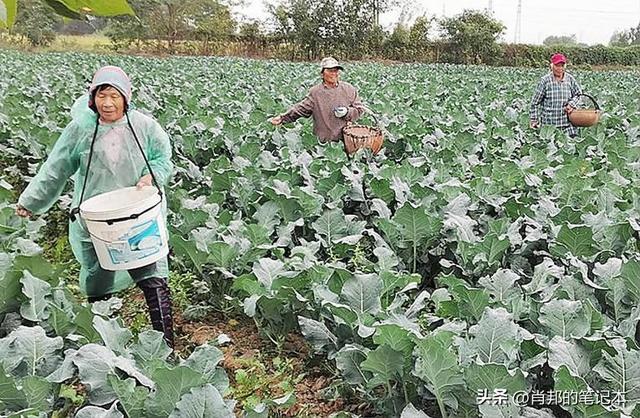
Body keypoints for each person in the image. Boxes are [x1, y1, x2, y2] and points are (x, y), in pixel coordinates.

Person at [15, 66, 175, 348]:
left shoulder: (144, 127)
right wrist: (31, 201)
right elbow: (56, 167)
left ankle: (166, 346)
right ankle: (102, 345)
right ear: (93, 97)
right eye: (102, 95)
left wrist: (153, 175)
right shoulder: (82, 129)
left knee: (152, 275)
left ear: (126, 97)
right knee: (99, 277)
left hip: (137, 215)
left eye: (114, 95)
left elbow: (163, 158)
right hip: (97, 218)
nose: (108, 103)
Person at [270, 57, 365, 143]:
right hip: (323, 142)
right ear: (322, 73)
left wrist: (347, 112)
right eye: (330, 70)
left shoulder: (349, 89)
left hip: (345, 141)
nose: (334, 73)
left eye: (336, 70)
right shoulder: (316, 92)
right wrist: (283, 118)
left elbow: (359, 110)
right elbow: (301, 109)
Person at [529, 53, 583, 137]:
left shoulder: (570, 79)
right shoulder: (545, 81)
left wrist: (571, 104)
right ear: (552, 66)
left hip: (567, 126)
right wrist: (534, 120)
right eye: (557, 65)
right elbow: (535, 103)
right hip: (549, 128)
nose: (560, 68)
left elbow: (579, 94)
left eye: (562, 65)